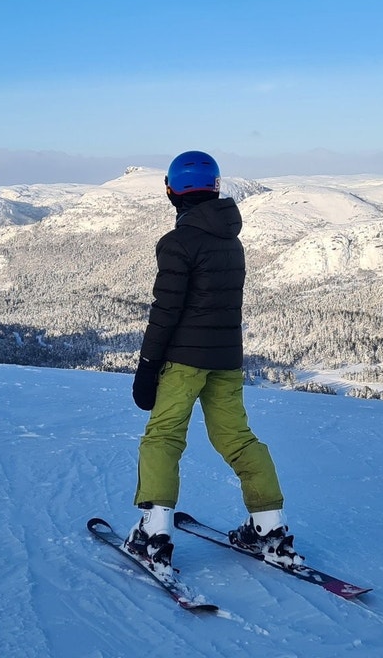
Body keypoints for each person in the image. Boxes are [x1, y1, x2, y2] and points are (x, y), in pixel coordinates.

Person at [124, 150, 301, 574]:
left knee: (163, 438)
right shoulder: (231, 240)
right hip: (226, 361)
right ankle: (269, 529)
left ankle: (155, 532)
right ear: (215, 187)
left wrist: (148, 365)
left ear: (171, 191)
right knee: (237, 438)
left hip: (182, 361)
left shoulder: (177, 243)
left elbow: (165, 311)